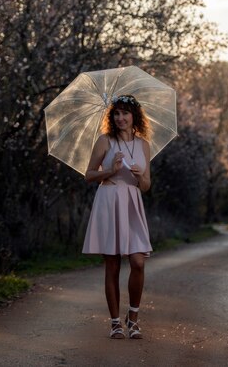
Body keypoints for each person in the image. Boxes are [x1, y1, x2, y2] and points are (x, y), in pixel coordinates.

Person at [82, 94, 152, 340]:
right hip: (109, 201)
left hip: (132, 203)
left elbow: (146, 186)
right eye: (116, 114)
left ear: (135, 116)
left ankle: (133, 318)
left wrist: (140, 176)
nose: (120, 118)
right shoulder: (105, 141)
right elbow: (89, 175)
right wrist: (110, 170)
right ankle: (115, 323)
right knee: (112, 265)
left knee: (138, 262)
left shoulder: (143, 145)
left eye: (125, 113)